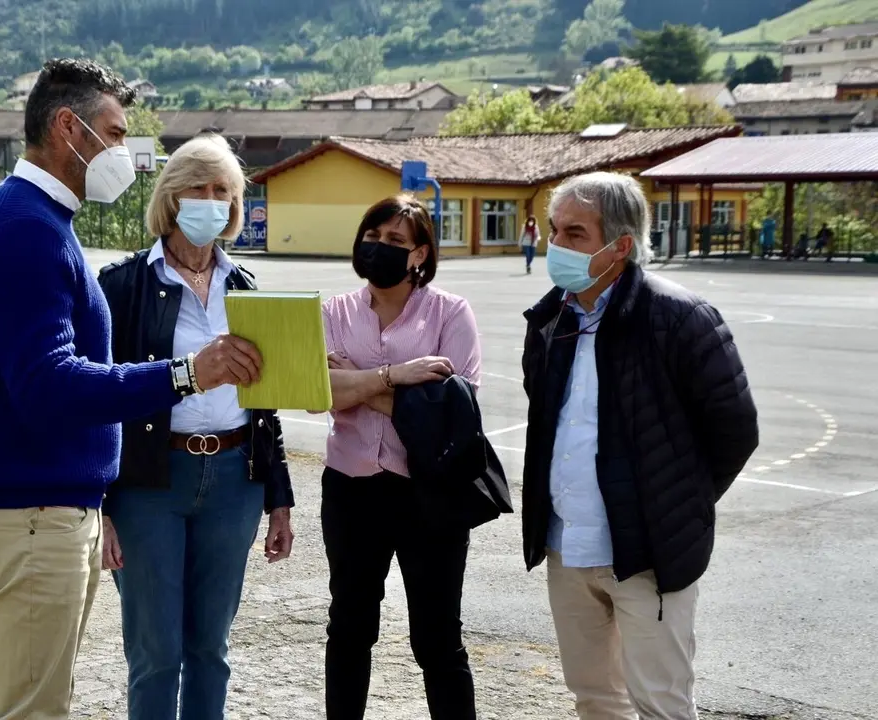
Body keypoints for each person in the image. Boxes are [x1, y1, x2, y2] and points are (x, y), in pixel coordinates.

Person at [0, 59, 263, 720]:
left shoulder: (39, 221)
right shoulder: (25, 230)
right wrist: (186, 374)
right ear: (68, 127)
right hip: (30, 516)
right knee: (31, 711)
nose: (124, 152)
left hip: (44, 511)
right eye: (115, 134)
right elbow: (49, 384)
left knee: (39, 703)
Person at [520, 172, 759, 719]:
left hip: (648, 553)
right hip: (567, 546)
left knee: (660, 704)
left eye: (575, 234)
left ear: (620, 246)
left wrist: (674, 505)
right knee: (595, 698)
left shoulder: (679, 318)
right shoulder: (551, 319)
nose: (556, 245)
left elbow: (735, 431)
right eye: (554, 230)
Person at [95, 133, 295, 720]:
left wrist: (279, 498)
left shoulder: (244, 286)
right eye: (197, 189)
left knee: (211, 649)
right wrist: (100, 507)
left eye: (222, 191)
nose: (211, 201)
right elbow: (98, 398)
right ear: (170, 197)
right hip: (148, 484)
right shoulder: (121, 286)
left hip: (234, 480)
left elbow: (266, 405)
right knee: (157, 654)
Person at [319, 194, 483, 720]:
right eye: (372, 236)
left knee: (437, 639)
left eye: (395, 240)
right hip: (351, 489)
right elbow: (318, 393)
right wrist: (397, 378)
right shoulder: (333, 312)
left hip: (429, 493)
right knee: (349, 627)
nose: (379, 247)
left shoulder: (450, 313)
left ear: (420, 253)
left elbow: (452, 416)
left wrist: (357, 382)